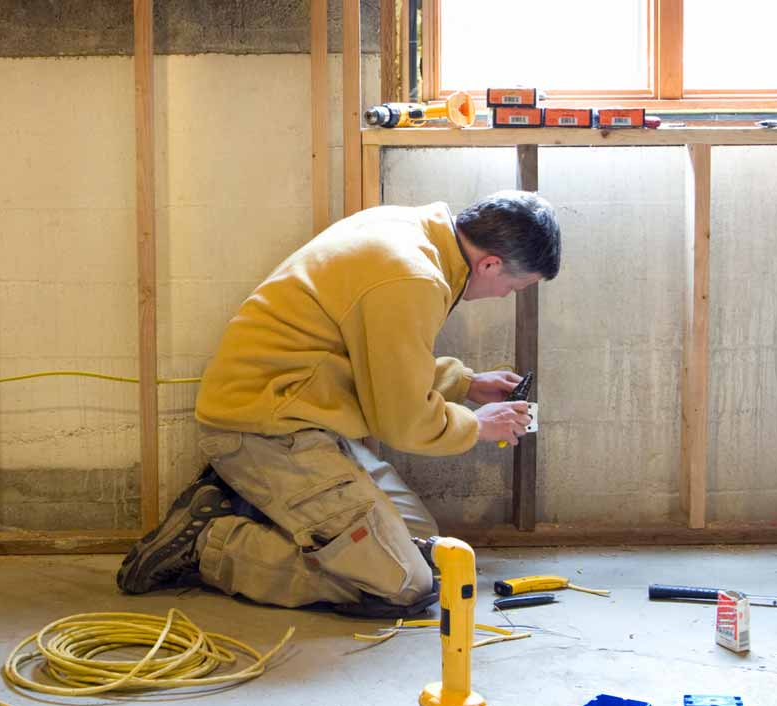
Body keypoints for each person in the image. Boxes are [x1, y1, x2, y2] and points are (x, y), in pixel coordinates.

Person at [115, 191, 560, 616]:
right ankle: (210, 545)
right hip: (264, 428)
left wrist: (465, 383)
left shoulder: (411, 230)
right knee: (404, 583)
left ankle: (250, 501)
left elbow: (373, 353)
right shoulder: (412, 275)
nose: (507, 296)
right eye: (515, 286)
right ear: (490, 263)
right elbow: (403, 422)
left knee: (424, 545)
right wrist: (479, 426)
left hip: (301, 414)